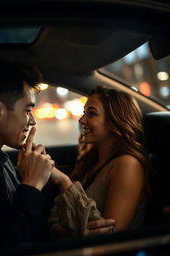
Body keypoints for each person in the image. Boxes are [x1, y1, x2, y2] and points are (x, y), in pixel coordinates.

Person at [0, 59, 114, 249]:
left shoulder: (0, 159)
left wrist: (64, 234)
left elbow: (24, 227)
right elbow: (2, 248)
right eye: (27, 110)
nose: (32, 121)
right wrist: (32, 184)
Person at [49, 86, 148, 237]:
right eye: (84, 112)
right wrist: (65, 231)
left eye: (92, 113)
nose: (82, 120)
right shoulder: (92, 159)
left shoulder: (127, 164)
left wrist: (64, 182)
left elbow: (111, 238)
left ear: (116, 120)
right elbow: (58, 220)